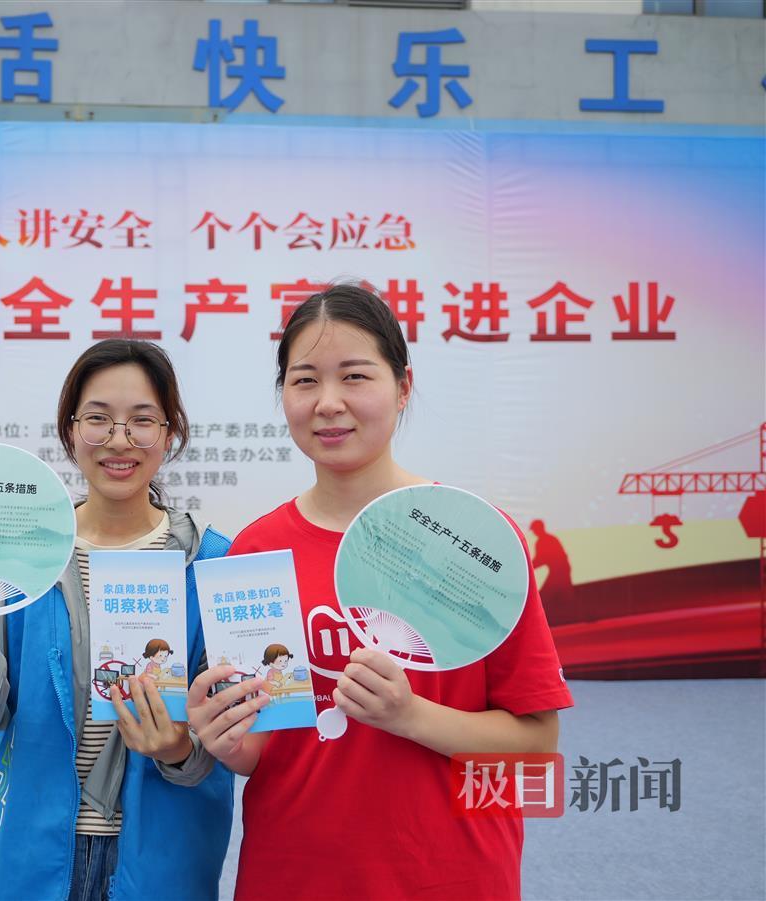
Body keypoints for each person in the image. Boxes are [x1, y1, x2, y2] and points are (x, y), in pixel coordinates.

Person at [186, 284, 574, 900]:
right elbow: (263, 750)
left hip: (451, 878)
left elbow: (535, 749)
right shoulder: (257, 550)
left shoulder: (475, 539)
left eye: (355, 376)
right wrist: (225, 740)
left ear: (403, 387)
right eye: (305, 380)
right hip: (297, 876)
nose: (328, 403)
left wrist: (409, 716)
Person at [0, 339, 234, 901]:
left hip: (160, 851)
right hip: (34, 844)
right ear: (70, 430)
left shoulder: (212, 564)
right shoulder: (20, 559)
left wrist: (179, 748)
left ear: (169, 433)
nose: (119, 440)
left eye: (142, 420)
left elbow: (233, 738)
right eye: (98, 419)